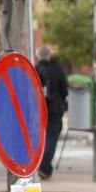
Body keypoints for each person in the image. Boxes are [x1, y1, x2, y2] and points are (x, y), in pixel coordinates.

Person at [35, 47, 69, 180]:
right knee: (51, 138)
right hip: (54, 109)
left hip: (37, 110)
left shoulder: (34, 69)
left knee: (40, 138)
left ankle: (39, 164)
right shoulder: (56, 69)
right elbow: (64, 91)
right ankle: (44, 166)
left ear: (38, 56)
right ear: (49, 56)